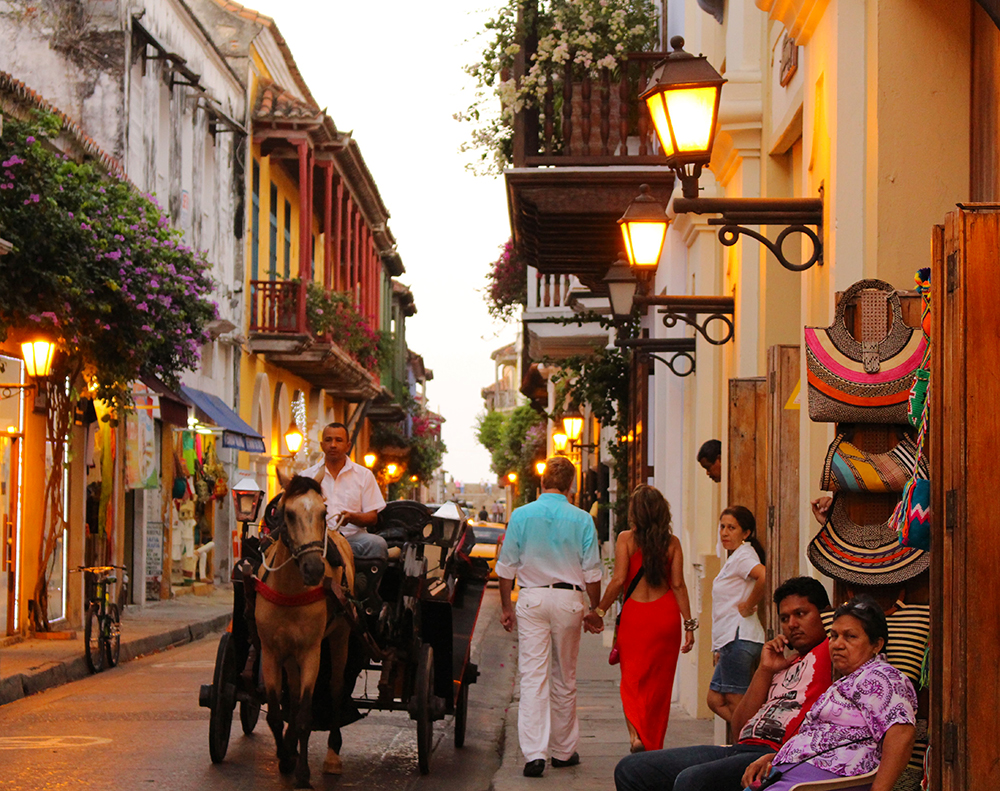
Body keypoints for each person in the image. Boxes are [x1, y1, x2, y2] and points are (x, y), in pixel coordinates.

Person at [614, 577, 833, 791]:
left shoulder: (831, 652)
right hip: (741, 750)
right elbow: (739, 728)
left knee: (691, 781)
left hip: (778, 757)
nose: (792, 624)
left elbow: (848, 618)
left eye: (801, 614)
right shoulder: (780, 663)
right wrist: (765, 670)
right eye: (785, 618)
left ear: (825, 614)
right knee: (631, 769)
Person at [495, 455, 604, 778]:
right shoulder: (582, 519)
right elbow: (592, 572)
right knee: (565, 676)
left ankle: (534, 754)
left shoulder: (521, 515)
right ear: (571, 485)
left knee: (533, 676)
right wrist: (595, 609)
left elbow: (506, 568)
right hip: (569, 599)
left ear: (542, 482)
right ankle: (563, 750)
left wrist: (505, 607)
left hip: (533, 597)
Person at [741, 595, 917, 791]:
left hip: (824, 780)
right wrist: (776, 757)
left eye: (850, 636)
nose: (837, 644)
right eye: (833, 636)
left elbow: (902, 733)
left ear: (876, 645)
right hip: (790, 772)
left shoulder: (882, 677)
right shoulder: (844, 683)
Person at [594, 484, 696, 753]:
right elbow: (678, 585)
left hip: (636, 618)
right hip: (665, 618)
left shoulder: (626, 540)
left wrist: (599, 611)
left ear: (635, 513)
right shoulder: (672, 543)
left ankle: (636, 736)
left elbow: (618, 580)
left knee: (632, 681)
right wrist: (689, 625)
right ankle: (653, 744)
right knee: (660, 686)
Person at [709, 505, 767, 721]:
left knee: (737, 703)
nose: (724, 533)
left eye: (731, 528)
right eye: (722, 527)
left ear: (746, 533)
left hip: (739, 638)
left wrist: (749, 604)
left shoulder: (743, 556)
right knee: (714, 699)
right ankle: (747, 734)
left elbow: (764, 575)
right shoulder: (735, 558)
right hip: (731, 640)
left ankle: (750, 738)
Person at [301, 422, 387, 564]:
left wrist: (352, 517)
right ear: (322, 445)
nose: (333, 445)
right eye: (328, 440)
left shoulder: (364, 475)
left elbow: (372, 517)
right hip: (316, 540)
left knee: (377, 544)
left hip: (352, 540)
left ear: (348, 446)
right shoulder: (306, 477)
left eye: (338, 440)